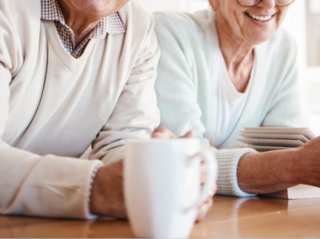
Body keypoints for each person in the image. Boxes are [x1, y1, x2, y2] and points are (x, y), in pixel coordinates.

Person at [0, 0, 161, 219]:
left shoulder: (139, 30)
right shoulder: (8, 9)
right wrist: (95, 188)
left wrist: (150, 168)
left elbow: (121, 144)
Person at [154, 0, 320, 197]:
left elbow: (287, 150)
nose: (268, 4)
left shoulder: (283, 48)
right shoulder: (171, 33)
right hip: (181, 208)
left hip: (248, 216)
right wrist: (292, 166)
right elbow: (185, 160)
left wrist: (291, 164)